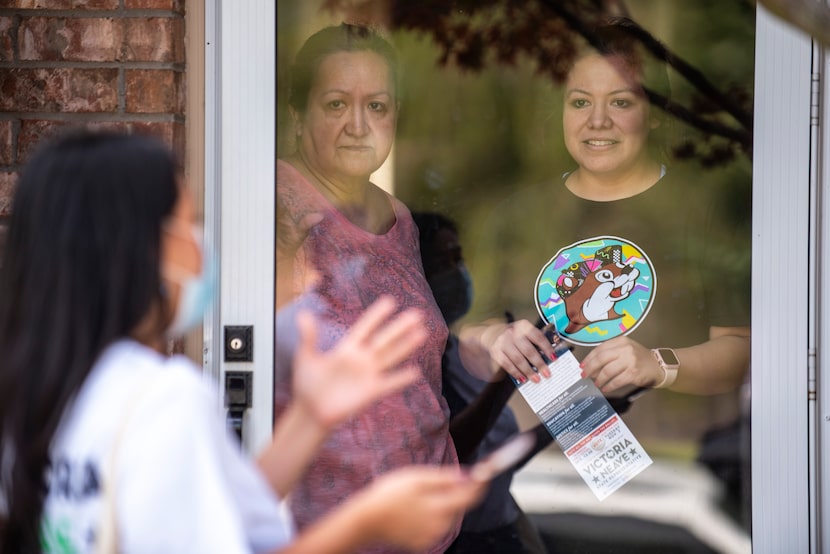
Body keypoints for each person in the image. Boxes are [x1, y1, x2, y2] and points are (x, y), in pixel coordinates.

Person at [0, 130, 485, 554]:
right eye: (187, 225)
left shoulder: (35, 395)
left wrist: (309, 419)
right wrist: (369, 521)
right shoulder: (163, 399)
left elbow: (207, 515)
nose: (202, 243)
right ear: (132, 252)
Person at [458, 17, 751, 399]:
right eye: (580, 102)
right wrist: (493, 338)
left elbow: (742, 353)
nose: (597, 121)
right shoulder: (517, 216)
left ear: (658, 113)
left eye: (621, 102)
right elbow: (468, 340)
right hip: (533, 452)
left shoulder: (701, 209)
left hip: (668, 453)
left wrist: (659, 366)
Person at [272, 23, 460, 553]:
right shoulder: (276, 207)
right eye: (335, 104)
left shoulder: (398, 218)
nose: (358, 125)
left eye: (376, 106)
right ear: (297, 115)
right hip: (323, 532)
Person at [412, 211, 548, 554]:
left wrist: (574, 420)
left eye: (461, 259)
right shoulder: (410, 367)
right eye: (445, 262)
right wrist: (504, 383)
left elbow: (495, 462)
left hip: (501, 536)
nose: (459, 273)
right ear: (413, 273)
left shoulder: (455, 354)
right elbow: (450, 455)